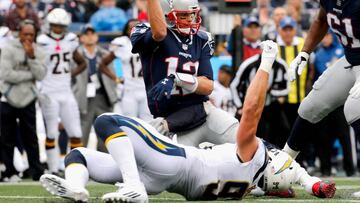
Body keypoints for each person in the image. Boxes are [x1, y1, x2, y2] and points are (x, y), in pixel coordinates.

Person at [39, 41, 335, 203]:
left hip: (173, 160)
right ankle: (77, 190)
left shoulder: (253, 155)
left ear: (269, 165)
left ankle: (132, 186)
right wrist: (313, 185)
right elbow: (287, 179)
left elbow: (252, 111)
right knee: (79, 157)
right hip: (166, 179)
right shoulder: (249, 186)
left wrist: (266, 65)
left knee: (106, 120)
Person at [129, 0, 239, 146]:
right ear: (167, 16)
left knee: (242, 138)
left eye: (192, 15)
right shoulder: (145, 30)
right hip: (169, 120)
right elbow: (160, 33)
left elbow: (208, 85)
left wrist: (177, 79)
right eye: (183, 16)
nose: (190, 20)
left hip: (202, 112)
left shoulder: (202, 38)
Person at [282, 0, 360, 179]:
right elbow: (321, 20)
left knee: (354, 108)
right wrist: (304, 53)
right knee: (310, 106)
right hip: (350, 61)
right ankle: (281, 168)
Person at [37, 8, 86, 175]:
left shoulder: (71, 40)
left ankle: (75, 168)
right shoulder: (42, 41)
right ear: (50, 25)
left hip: (66, 91)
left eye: (60, 25)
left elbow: (82, 63)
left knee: (76, 133)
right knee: (51, 132)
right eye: (55, 25)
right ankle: (52, 169)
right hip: (49, 92)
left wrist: (68, 74)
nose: (57, 28)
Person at [0, 20, 46, 181]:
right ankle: (10, 172)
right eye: (25, 33)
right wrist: (29, 76)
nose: (28, 37)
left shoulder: (38, 51)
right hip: (8, 97)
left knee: (31, 137)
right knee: (7, 137)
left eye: (31, 34)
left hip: (28, 98)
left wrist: (31, 57)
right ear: (19, 33)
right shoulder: (8, 49)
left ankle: (36, 171)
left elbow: (41, 75)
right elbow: (5, 74)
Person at [73, 24, 117, 151]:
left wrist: (113, 93)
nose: (90, 36)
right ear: (81, 38)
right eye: (86, 34)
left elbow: (116, 74)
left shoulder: (105, 54)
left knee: (105, 137)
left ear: (97, 36)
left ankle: (103, 166)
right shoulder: (75, 54)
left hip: (103, 97)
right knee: (82, 136)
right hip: (83, 98)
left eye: (92, 33)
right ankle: (80, 165)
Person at [230, 53, 289, 147]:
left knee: (282, 130)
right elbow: (234, 86)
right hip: (248, 107)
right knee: (245, 135)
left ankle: (274, 156)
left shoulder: (280, 65)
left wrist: (270, 91)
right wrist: (239, 106)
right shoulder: (249, 64)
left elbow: (286, 89)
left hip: (268, 106)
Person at [99, 19, 152, 121]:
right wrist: (117, 78)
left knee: (149, 123)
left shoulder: (149, 42)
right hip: (129, 89)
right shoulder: (122, 44)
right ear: (127, 31)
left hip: (147, 89)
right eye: (132, 28)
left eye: (138, 26)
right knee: (130, 122)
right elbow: (104, 64)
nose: (135, 29)